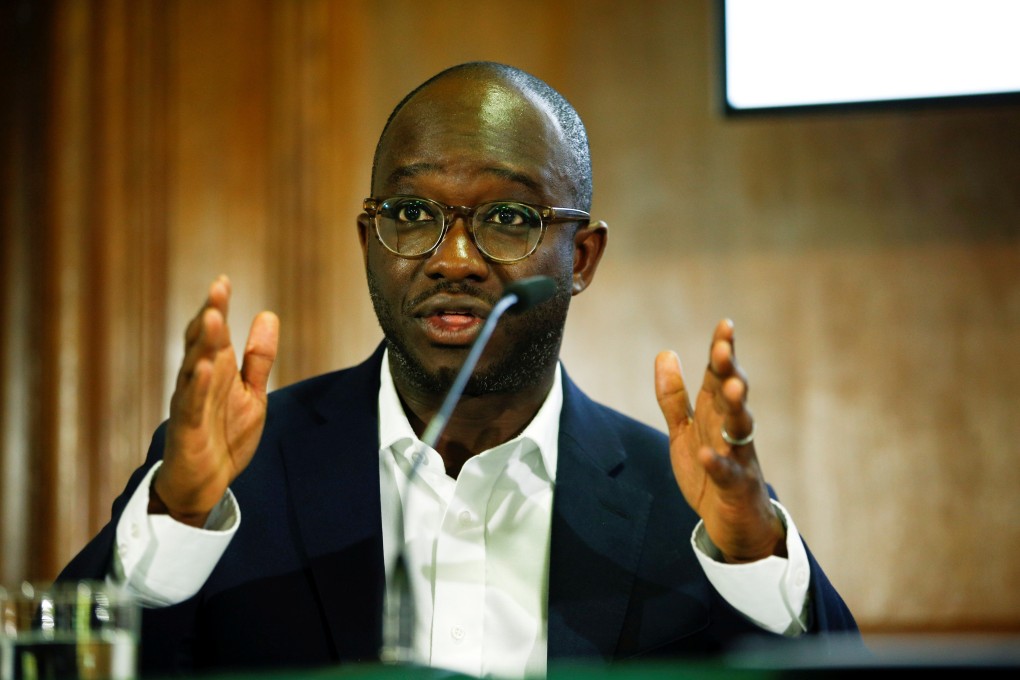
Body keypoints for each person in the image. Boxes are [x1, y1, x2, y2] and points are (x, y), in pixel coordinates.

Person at [59, 61, 859, 678]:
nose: (454, 259)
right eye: (412, 215)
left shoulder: (688, 503)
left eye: (509, 219)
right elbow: (65, 662)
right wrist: (174, 518)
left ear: (580, 256)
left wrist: (754, 555)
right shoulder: (237, 475)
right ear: (369, 237)